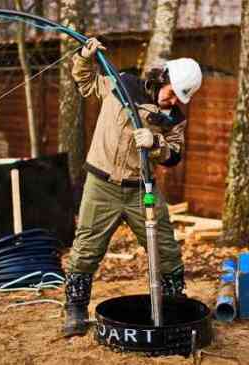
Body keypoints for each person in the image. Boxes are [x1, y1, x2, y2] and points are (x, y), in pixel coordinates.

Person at [64, 38, 203, 337]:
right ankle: (75, 309)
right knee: (87, 249)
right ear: (163, 77)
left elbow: (174, 154)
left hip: (142, 189)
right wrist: (84, 56)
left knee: (165, 249)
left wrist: (156, 143)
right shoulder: (121, 84)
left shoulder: (173, 118)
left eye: (180, 98)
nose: (174, 101)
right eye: (172, 93)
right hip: (101, 183)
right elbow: (86, 83)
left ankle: (174, 304)